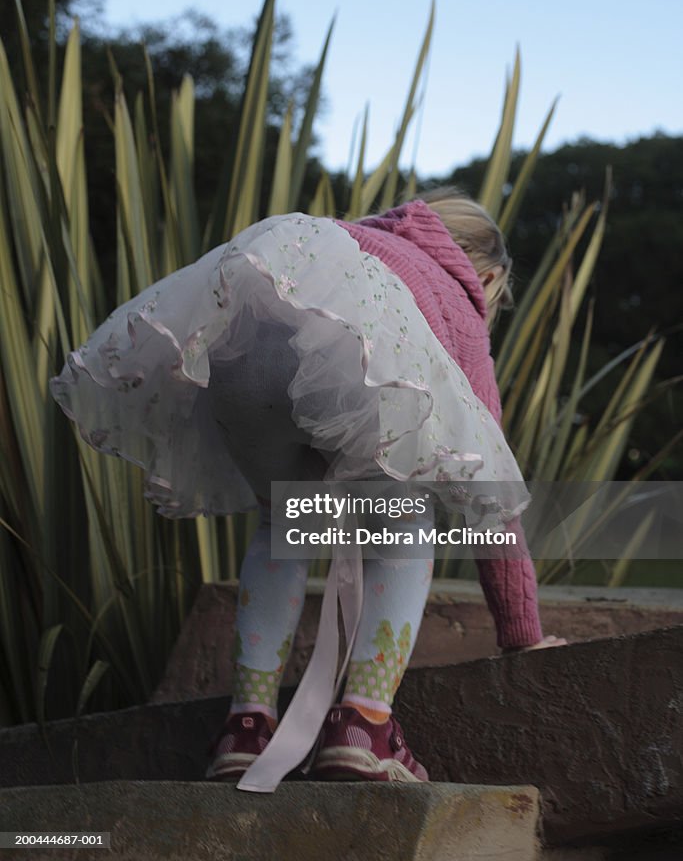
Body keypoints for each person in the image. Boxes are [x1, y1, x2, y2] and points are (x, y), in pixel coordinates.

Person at [49, 189, 565, 793]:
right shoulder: (456, 300)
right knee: (401, 520)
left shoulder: (346, 241)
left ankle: (245, 729)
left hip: (238, 356)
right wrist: (521, 636)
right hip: (344, 364)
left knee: (284, 524)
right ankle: (364, 727)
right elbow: (492, 497)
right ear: (489, 275)